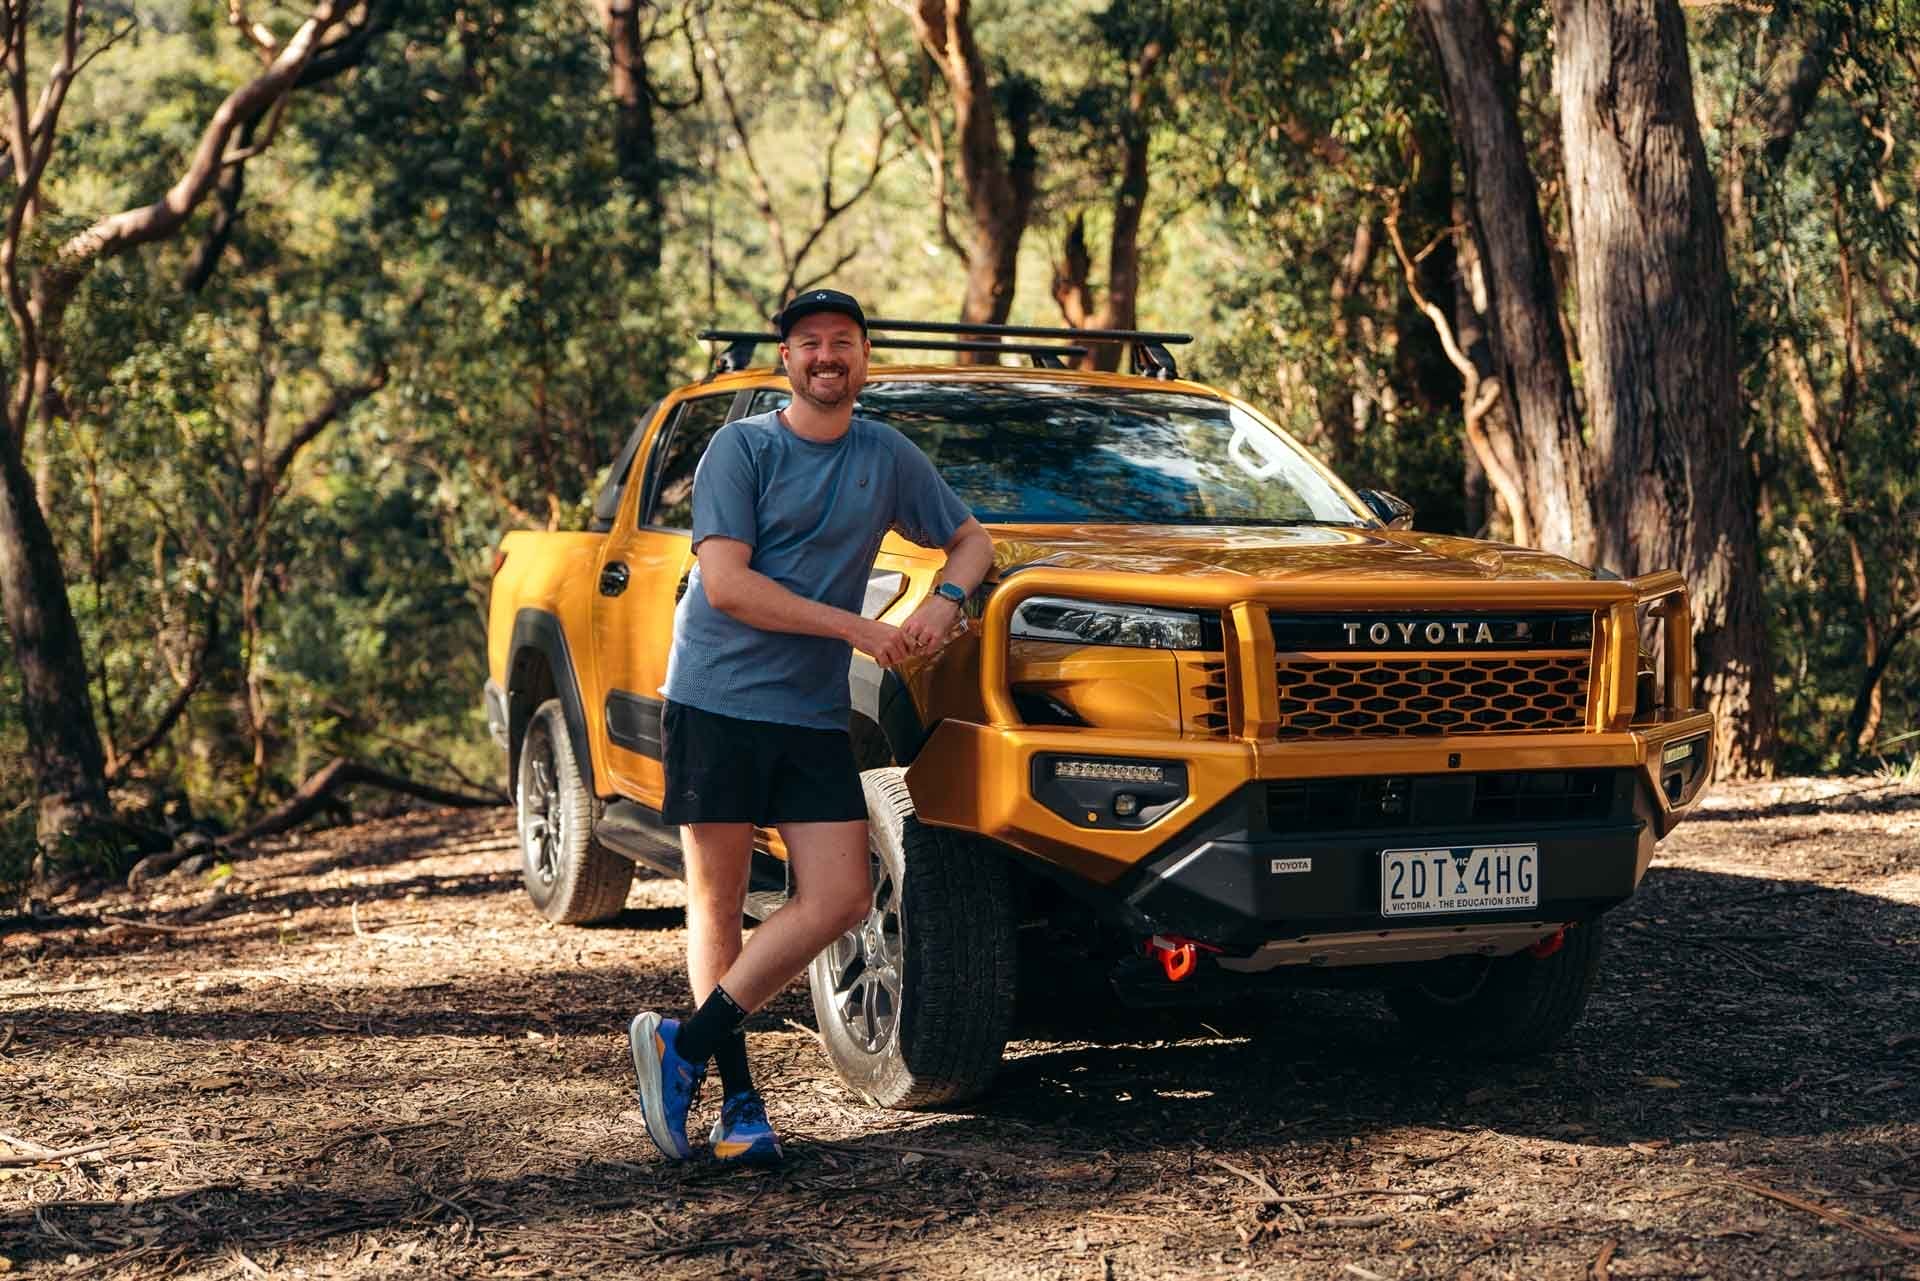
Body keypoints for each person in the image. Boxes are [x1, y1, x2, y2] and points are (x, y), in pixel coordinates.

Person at [628, 289, 993, 1165]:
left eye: (844, 343)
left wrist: (944, 605)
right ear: (787, 360)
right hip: (715, 698)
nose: (827, 356)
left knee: (840, 897)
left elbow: (972, 541)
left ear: (865, 358)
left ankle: (680, 1044)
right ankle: (738, 1107)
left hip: (810, 710)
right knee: (718, 899)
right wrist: (861, 629)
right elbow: (727, 585)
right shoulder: (740, 447)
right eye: (809, 343)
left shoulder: (887, 454)